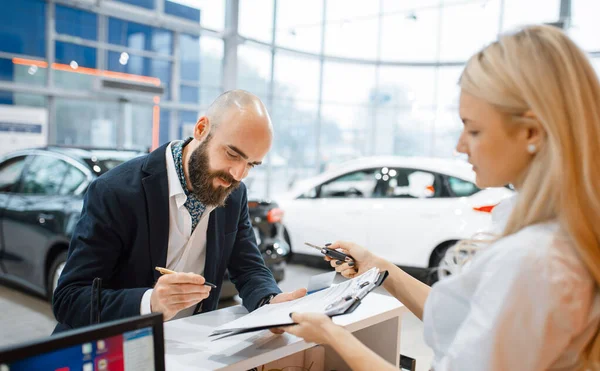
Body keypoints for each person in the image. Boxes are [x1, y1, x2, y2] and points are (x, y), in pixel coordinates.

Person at [282, 25, 600, 371]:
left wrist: (332, 335)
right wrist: (378, 265)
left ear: (531, 131)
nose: (460, 145)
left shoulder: (533, 258)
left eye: (474, 129)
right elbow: (462, 321)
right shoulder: (544, 230)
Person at [53, 90, 306, 331]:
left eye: (251, 164)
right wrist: (150, 303)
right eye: (231, 154)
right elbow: (69, 298)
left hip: (188, 351)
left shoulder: (235, 193)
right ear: (201, 129)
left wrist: (270, 302)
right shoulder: (115, 192)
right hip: (118, 348)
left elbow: (249, 267)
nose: (238, 174)